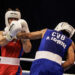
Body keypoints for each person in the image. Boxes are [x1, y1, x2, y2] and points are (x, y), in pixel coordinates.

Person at [0, 9, 32, 75]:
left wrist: (26, 30)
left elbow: (27, 49)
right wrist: (11, 34)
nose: (13, 21)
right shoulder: (1, 33)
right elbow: (1, 42)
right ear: (7, 20)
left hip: (15, 69)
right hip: (1, 68)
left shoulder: (21, 36)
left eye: (15, 19)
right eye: (11, 19)